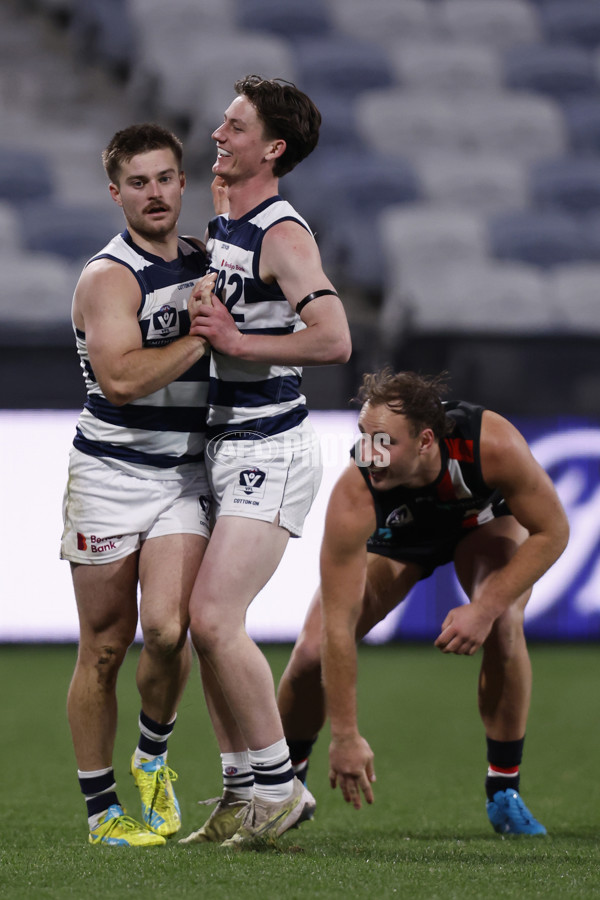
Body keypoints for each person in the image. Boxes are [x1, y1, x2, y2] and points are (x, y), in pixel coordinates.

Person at [277, 369, 569, 835]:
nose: (367, 453)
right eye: (362, 437)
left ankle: (503, 789)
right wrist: (346, 735)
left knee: (505, 623)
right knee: (310, 652)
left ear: (426, 440)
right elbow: (337, 623)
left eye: (383, 441)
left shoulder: (491, 445)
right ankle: (283, 790)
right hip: (403, 537)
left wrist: (486, 606)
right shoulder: (356, 490)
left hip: (482, 526)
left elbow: (553, 531)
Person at [179, 75, 352, 848]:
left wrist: (240, 343)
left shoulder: (283, 233)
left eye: (235, 125)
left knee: (214, 619)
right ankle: (243, 792)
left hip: (269, 447)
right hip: (227, 442)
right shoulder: (228, 214)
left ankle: (281, 788)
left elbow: (335, 338)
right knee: (203, 626)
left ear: (271, 148)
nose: (219, 132)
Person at [61, 123, 217, 846]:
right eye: (139, 182)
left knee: (167, 629)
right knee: (103, 646)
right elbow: (120, 381)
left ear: (184, 184)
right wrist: (202, 338)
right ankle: (102, 814)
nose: (154, 194)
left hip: (184, 473)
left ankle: (152, 760)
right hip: (110, 474)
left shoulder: (210, 260)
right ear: (116, 192)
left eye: (165, 179)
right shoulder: (107, 276)